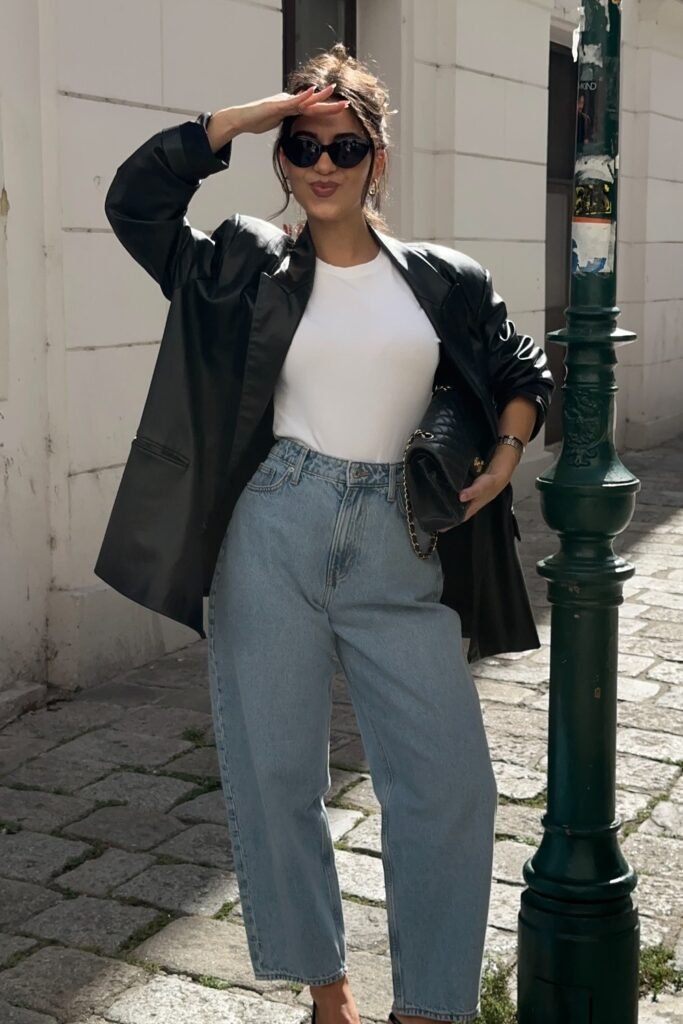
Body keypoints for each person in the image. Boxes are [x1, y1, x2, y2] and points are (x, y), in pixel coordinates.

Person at [96, 43, 553, 1024]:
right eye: (303, 143)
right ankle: (328, 993)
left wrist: (508, 449)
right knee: (276, 775)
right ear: (284, 154)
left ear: (375, 157)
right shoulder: (239, 266)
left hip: (400, 540)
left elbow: (518, 363)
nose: (322, 162)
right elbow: (134, 204)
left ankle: (426, 1006)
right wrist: (238, 119)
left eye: (343, 145)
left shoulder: (440, 278)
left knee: (448, 785)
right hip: (274, 527)